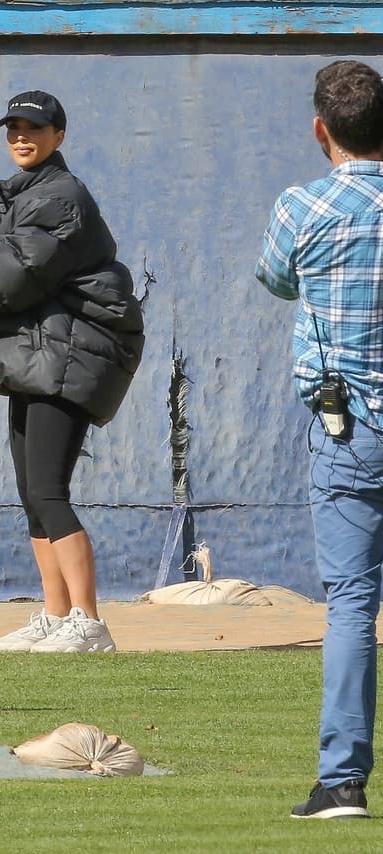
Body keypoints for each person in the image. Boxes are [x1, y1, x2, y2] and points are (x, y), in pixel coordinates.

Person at [0, 91, 144, 653]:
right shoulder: (32, 193)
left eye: (35, 129)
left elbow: (10, 277)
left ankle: (89, 624)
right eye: (13, 128)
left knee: (47, 489)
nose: (22, 137)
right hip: (43, 356)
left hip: (73, 354)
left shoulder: (58, 196)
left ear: (58, 137)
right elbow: (8, 275)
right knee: (31, 491)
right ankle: (54, 614)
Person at [256, 59, 383, 820]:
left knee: (350, 606)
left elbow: (276, 278)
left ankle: (342, 782)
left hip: (349, 431)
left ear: (319, 130)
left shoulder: (302, 206)